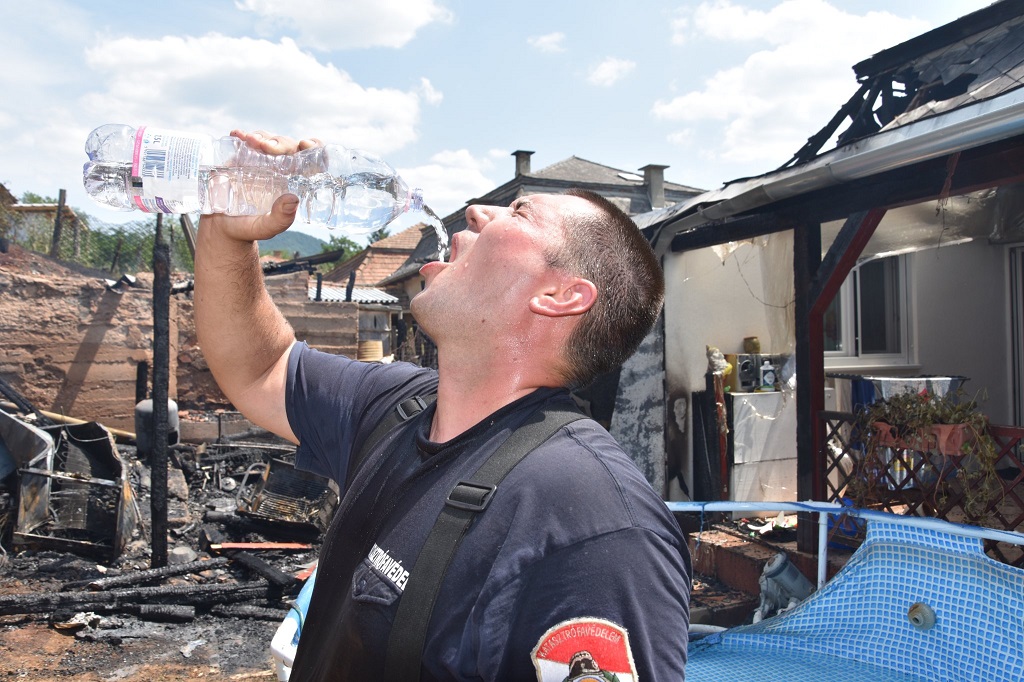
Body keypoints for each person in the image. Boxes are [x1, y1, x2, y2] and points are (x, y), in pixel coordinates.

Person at [194, 130, 691, 681]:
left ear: (558, 296)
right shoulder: (397, 407)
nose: (477, 211)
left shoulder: (593, 526)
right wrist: (225, 234)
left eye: (520, 212)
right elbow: (261, 368)